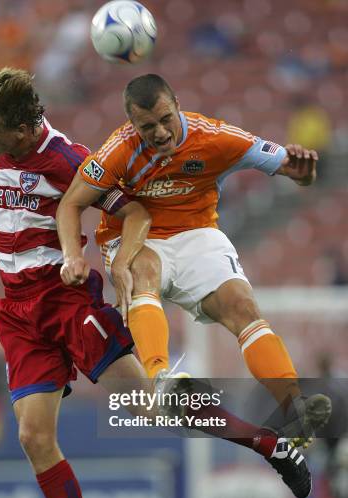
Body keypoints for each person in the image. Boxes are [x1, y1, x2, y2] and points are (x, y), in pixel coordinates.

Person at [0, 66, 160, 498]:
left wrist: (119, 259)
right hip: (20, 315)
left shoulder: (68, 159)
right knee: (32, 437)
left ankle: (266, 440)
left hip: (65, 300)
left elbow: (131, 208)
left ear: (24, 130)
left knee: (148, 407)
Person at [56, 73, 331, 448]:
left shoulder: (217, 138)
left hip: (196, 231)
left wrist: (303, 175)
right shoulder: (117, 151)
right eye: (147, 126)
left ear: (177, 106)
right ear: (132, 124)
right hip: (135, 235)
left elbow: (291, 167)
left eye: (166, 119)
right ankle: (162, 377)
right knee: (144, 269)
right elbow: (71, 202)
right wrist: (73, 255)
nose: (160, 133)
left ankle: (294, 406)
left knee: (242, 306)